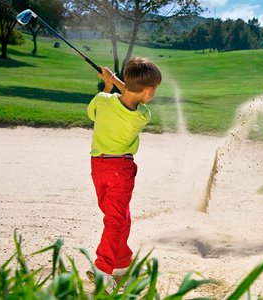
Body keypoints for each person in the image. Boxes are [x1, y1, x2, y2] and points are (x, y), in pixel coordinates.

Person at [86, 57, 162, 293]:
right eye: (154, 89)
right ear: (148, 91)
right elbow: (130, 95)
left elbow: (93, 114)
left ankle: (121, 264)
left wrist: (108, 85)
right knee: (116, 220)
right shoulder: (142, 115)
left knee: (119, 217)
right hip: (121, 170)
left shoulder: (101, 100)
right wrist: (114, 80)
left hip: (98, 167)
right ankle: (103, 270)